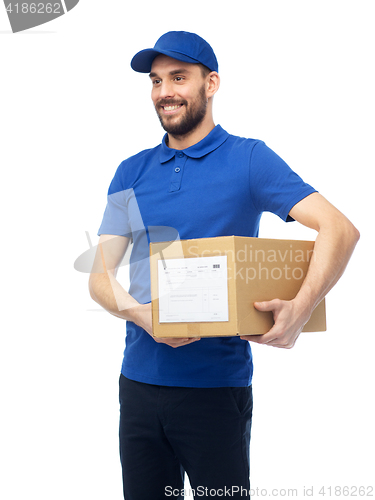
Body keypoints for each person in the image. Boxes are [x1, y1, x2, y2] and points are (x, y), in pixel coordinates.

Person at [89, 31, 359, 499]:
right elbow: (98, 277)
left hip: (214, 392)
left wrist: (301, 307)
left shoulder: (249, 159)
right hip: (136, 387)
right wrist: (142, 316)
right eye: (155, 81)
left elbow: (339, 228)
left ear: (211, 84)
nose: (164, 92)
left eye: (178, 77)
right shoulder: (130, 170)